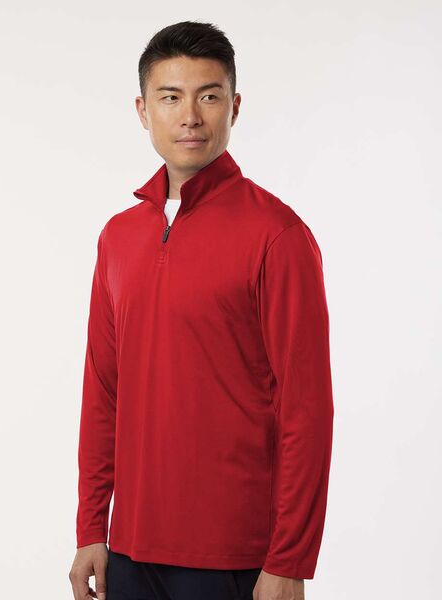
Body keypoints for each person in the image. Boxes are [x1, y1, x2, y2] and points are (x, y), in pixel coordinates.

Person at [69, 20, 334, 600]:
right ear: (143, 110)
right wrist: (92, 527)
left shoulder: (277, 235)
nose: (189, 116)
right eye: (170, 97)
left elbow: (306, 410)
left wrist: (289, 560)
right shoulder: (118, 237)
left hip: (236, 555)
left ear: (234, 107)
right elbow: (103, 390)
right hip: (130, 552)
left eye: (208, 97)